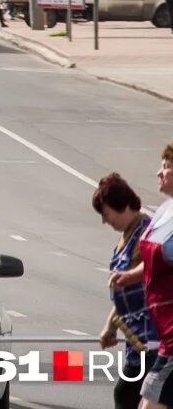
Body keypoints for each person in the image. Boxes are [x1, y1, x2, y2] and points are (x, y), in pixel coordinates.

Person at [95, 173, 159, 409]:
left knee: (128, 395)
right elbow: (124, 293)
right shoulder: (126, 236)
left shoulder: (145, 233)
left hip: (152, 337)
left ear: (120, 205)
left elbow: (139, 279)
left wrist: (111, 324)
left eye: (106, 213)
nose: (105, 220)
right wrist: (110, 326)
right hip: (136, 339)